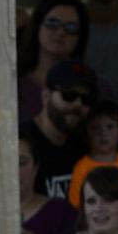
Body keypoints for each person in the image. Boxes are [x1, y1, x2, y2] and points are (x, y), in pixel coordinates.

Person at [17, 0, 106, 121]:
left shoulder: (99, 87)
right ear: (37, 26)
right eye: (52, 23)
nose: (60, 32)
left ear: (80, 36)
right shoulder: (14, 87)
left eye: (71, 27)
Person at [23, 61, 95, 200]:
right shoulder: (21, 142)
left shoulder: (84, 144)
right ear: (46, 96)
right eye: (68, 95)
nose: (78, 104)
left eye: (86, 99)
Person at [66, 100, 118, 207]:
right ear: (86, 134)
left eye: (109, 127)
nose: (102, 133)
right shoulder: (81, 168)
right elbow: (76, 206)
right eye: (95, 128)